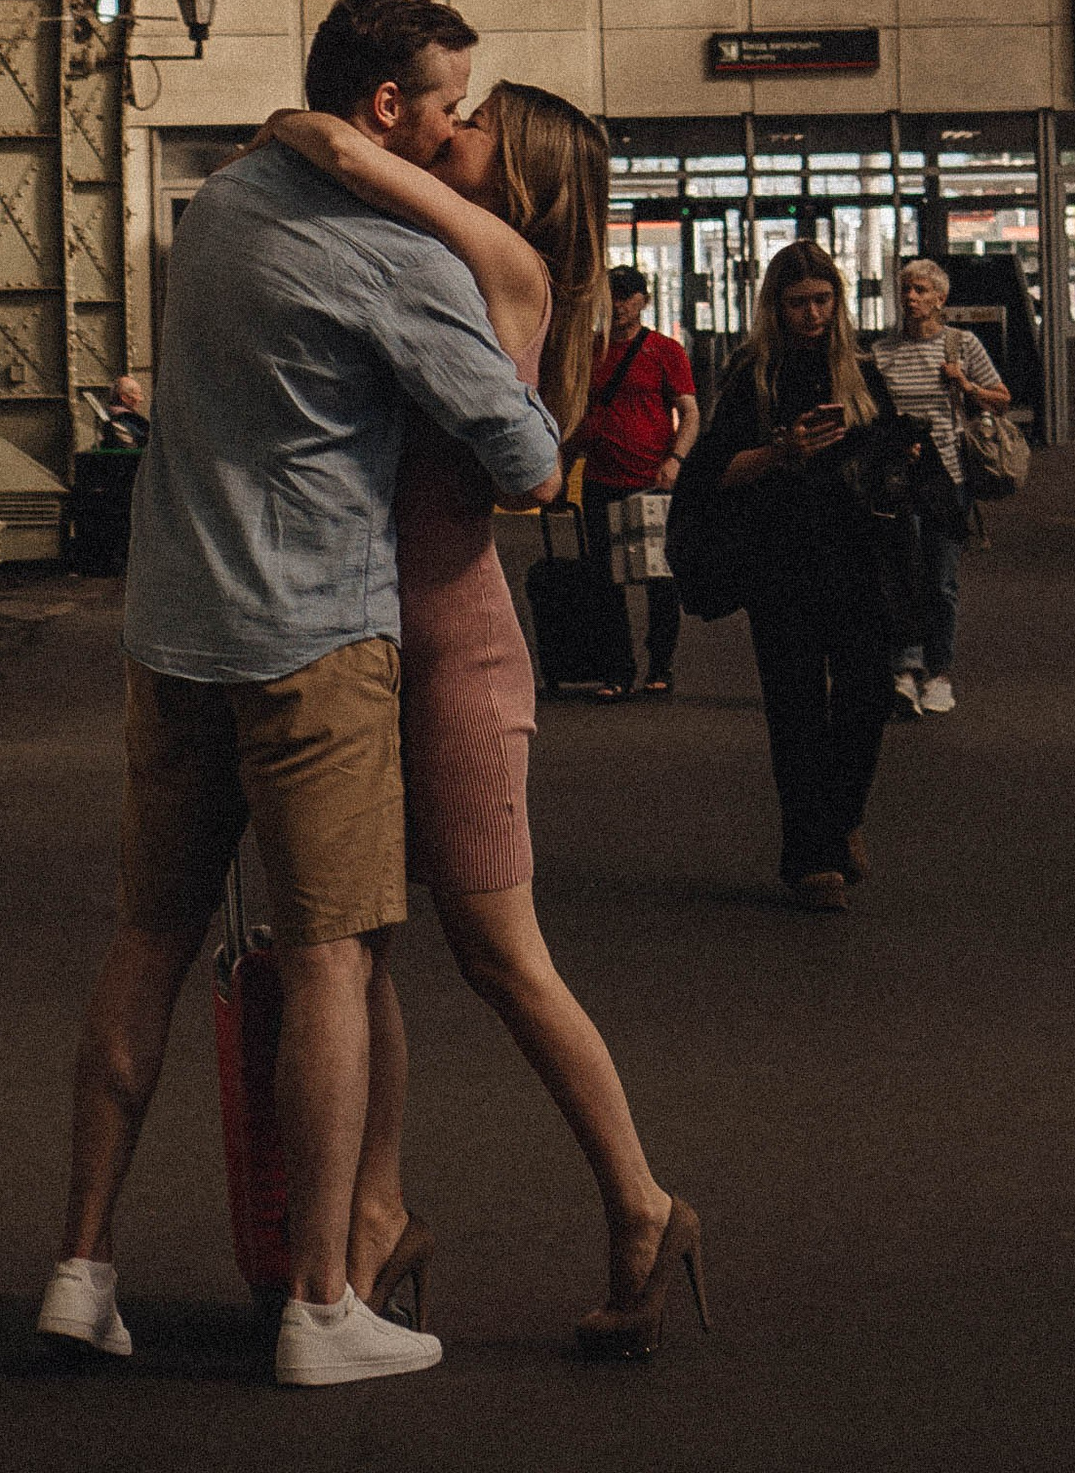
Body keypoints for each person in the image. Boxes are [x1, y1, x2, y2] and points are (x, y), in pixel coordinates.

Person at [40, 0, 562, 1389]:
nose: (461, 125)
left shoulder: (214, 209)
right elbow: (530, 462)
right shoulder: (393, 258)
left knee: (148, 943)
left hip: (171, 631)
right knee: (324, 959)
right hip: (314, 642)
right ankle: (322, 1303)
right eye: (449, 103)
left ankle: (82, 1271)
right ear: (386, 110)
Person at [256, 91, 704, 1360]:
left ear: (517, 175)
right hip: (374, 647)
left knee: (504, 955)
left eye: (470, 125)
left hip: (455, 659)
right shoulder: (447, 262)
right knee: (358, 942)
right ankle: (376, 1216)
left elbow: (346, 148)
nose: (444, 131)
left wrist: (290, 124)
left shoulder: (503, 272)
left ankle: (641, 1203)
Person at [682, 239, 905, 913]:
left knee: (868, 693)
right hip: (780, 563)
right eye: (797, 302)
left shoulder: (861, 371)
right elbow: (712, 472)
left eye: (821, 301)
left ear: (837, 301)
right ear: (775, 307)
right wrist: (782, 450)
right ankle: (812, 859)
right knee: (797, 711)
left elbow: (890, 450)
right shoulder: (754, 376)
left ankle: (840, 816)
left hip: (858, 558)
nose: (811, 314)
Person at [872, 259, 1008, 716]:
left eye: (921, 290)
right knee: (900, 576)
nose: (911, 298)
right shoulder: (883, 352)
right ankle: (907, 668)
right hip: (899, 478)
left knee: (940, 580)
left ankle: (941, 672)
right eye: (906, 289)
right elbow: (876, 413)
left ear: (940, 299)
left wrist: (965, 384)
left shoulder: (960, 344)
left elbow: (1001, 397)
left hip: (948, 477)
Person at [567, 267, 698, 700]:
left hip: (651, 480)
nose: (618, 304)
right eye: (611, 297)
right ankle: (617, 671)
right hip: (601, 477)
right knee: (604, 580)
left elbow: (690, 412)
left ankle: (660, 665)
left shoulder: (664, 350)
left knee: (660, 578)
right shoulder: (588, 351)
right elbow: (574, 412)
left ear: (643, 299)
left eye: (626, 296)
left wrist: (676, 459)